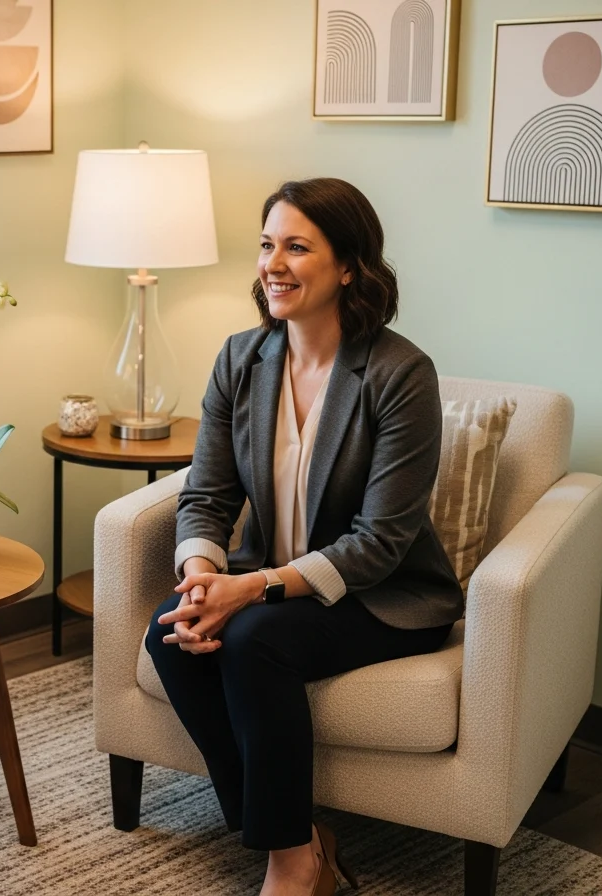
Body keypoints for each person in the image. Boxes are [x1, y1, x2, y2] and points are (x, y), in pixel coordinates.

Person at [145, 179, 463, 896]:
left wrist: (248, 588)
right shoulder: (240, 359)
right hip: (272, 584)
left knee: (255, 639)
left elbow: (381, 540)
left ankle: (288, 869)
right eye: (266, 245)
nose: (273, 263)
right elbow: (207, 494)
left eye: (296, 246)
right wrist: (200, 575)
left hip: (383, 596)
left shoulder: (399, 372)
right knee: (172, 632)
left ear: (349, 265)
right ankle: (302, 839)